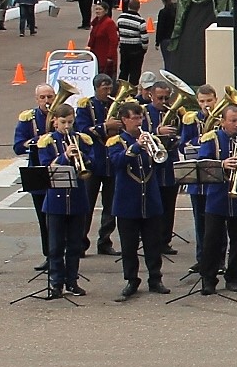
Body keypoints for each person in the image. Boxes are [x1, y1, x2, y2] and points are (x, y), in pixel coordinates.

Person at [103, 98, 171, 298]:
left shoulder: (151, 139)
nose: (139, 122)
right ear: (124, 120)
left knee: (153, 243)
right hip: (127, 202)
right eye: (134, 118)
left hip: (150, 200)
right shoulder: (115, 141)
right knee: (129, 246)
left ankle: (155, 278)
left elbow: (160, 163)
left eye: (140, 117)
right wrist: (134, 148)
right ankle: (131, 280)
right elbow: (116, 162)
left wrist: (162, 149)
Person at [193, 103, 237, 295]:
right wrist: (222, 164)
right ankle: (208, 279)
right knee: (212, 241)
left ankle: (233, 278)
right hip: (217, 198)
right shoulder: (212, 139)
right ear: (223, 122)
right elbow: (202, 163)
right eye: (233, 121)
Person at [30, 102, 96, 299]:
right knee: (56, 246)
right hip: (55, 201)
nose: (67, 126)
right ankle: (56, 283)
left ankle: (72, 281)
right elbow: (44, 165)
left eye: (70, 122)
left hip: (77, 200)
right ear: (55, 122)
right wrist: (64, 157)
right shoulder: (47, 141)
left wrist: (82, 155)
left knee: (75, 245)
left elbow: (93, 163)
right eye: (63, 122)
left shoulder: (82, 139)